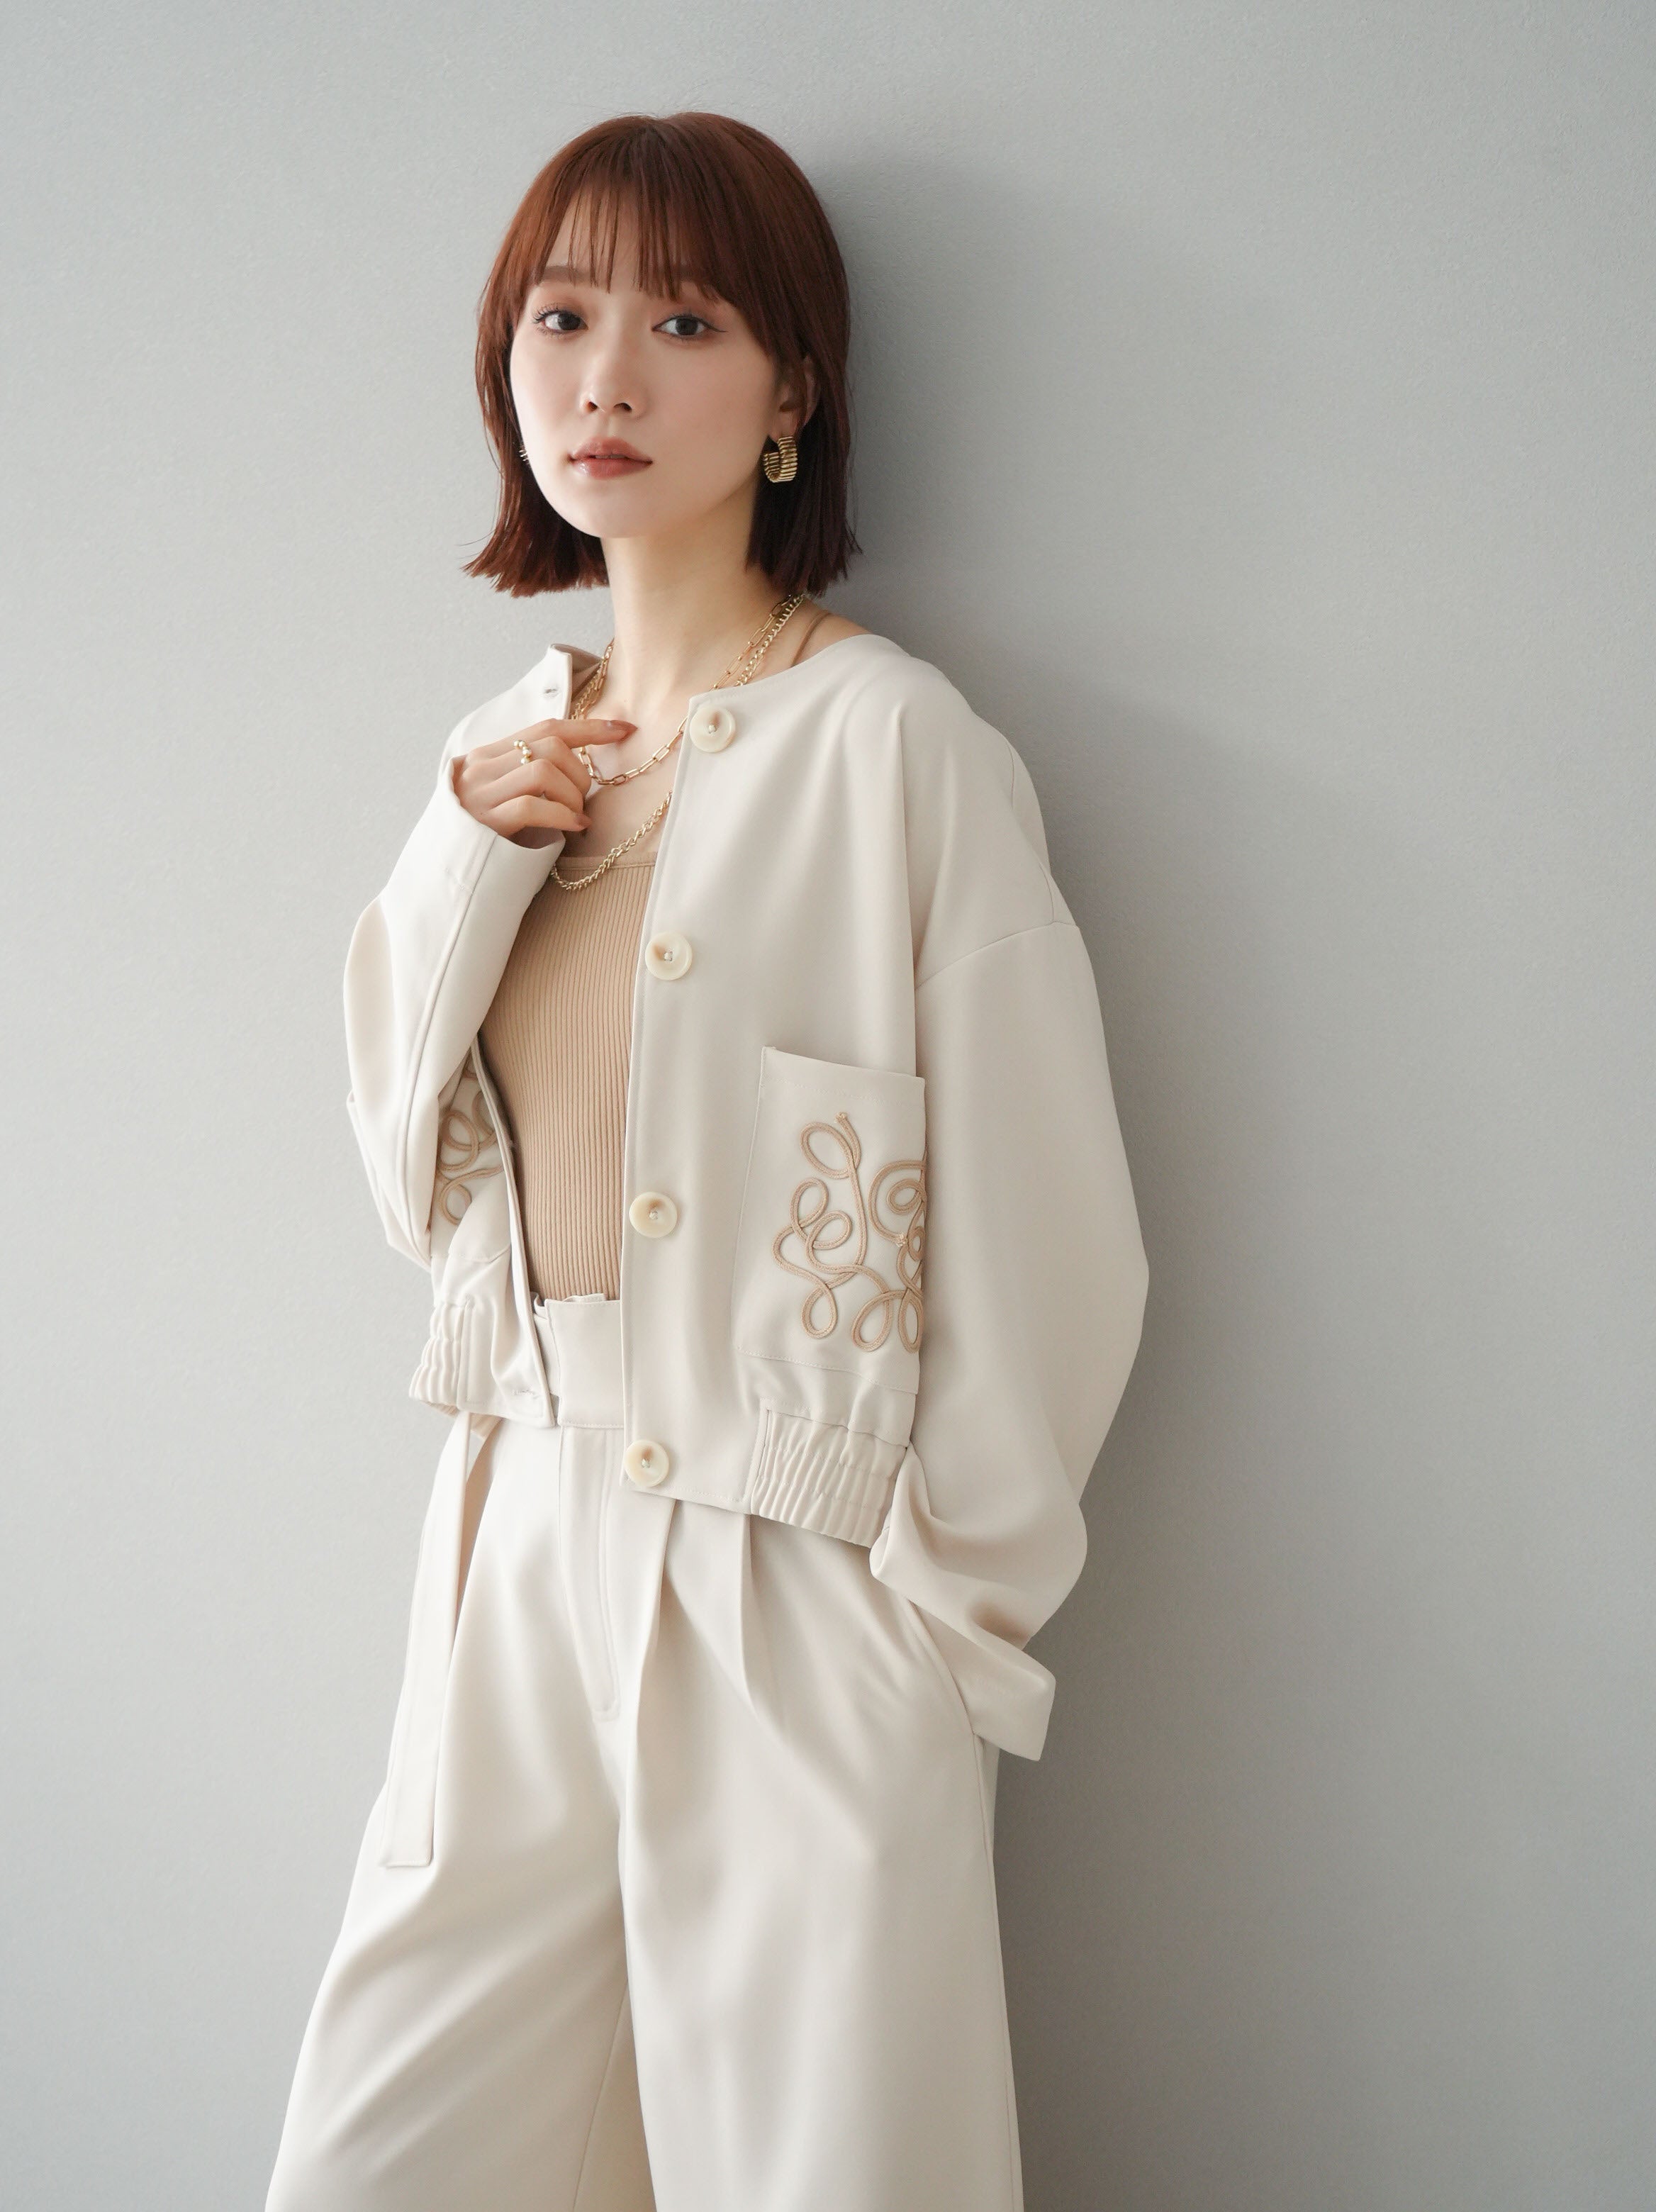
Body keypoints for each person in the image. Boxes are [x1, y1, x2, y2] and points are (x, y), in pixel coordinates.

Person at [266, 110, 1147, 2212]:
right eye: (559, 320)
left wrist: (940, 1625)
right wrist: (467, 851)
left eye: (683, 323)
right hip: (515, 1541)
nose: (607, 378)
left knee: (816, 2169)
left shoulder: (894, 746)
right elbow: (407, 1181)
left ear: (789, 392)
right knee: (385, 2158)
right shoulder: (496, 752)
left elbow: (1051, 1238)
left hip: (794, 1571)